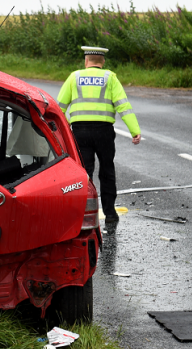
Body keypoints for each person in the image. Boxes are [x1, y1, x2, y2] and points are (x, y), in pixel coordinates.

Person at [57, 46, 141, 223]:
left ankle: (81, 213)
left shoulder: (75, 77)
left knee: (84, 172)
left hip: (80, 131)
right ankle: (110, 213)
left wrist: (62, 132)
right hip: (104, 131)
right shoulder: (110, 77)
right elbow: (123, 106)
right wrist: (135, 131)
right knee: (107, 170)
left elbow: (60, 107)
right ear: (102, 62)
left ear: (86, 61)